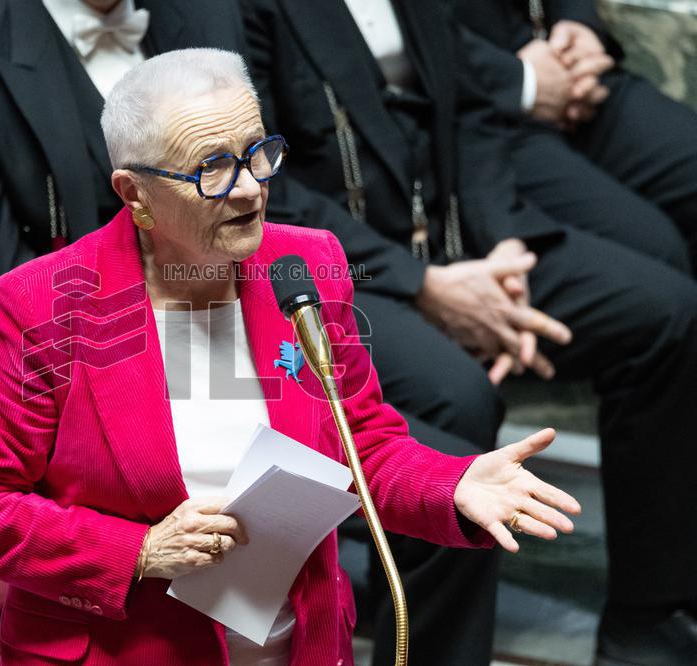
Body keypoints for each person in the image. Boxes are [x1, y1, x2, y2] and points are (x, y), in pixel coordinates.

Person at [0, 48, 581, 665]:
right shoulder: (43, 306)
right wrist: (140, 550)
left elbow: (359, 443)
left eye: (259, 154)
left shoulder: (309, 266)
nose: (250, 189)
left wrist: (452, 482)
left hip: (297, 644)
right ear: (134, 194)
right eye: (211, 168)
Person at [240, 1, 697, 663]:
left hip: (467, 235)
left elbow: (473, 110)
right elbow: (278, 191)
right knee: (458, 398)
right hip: (359, 264)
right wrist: (424, 285)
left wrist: (502, 247)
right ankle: (410, 624)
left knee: (666, 314)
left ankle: (646, 614)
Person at [0, 0, 249, 438]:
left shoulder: (210, 15)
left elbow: (262, 187)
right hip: (76, 370)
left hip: (238, 322)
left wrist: (358, 271)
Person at [454, 0, 697, 276]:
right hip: (474, 115)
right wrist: (523, 80)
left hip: (575, 69)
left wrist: (578, 24)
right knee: (658, 253)